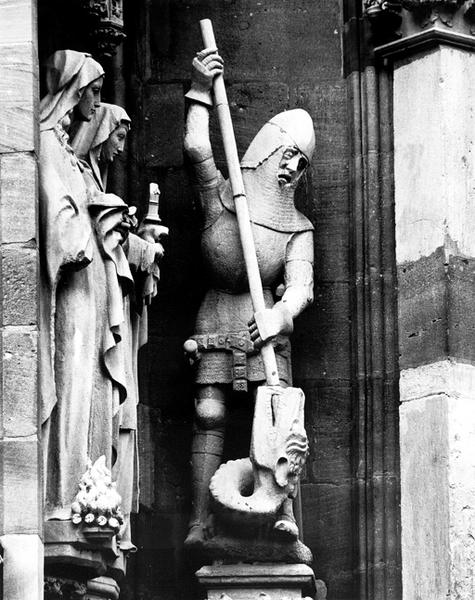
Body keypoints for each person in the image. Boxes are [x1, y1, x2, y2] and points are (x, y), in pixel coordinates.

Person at [183, 48, 315, 548]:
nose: (292, 168)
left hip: (265, 325)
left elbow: (301, 285)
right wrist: (199, 89)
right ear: (266, 151)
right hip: (218, 312)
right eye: (288, 156)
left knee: (281, 421)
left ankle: (286, 519)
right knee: (210, 415)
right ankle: (199, 520)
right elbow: (197, 148)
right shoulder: (222, 195)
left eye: (301, 164)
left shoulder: (297, 226)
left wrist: (281, 313)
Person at [39, 50, 138, 551]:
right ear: (74, 91)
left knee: (91, 384)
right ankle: (63, 492)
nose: (96, 102)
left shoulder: (67, 150)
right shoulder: (45, 143)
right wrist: (83, 231)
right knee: (74, 380)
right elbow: (59, 217)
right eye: (92, 92)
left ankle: (86, 485)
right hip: (74, 284)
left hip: (93, 285)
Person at [70, 102, 165, 552]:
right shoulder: (79, 176)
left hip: (113, 309)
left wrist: (142, 249)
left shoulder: (96, 178)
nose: (122, 146)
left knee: (119, 408)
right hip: (89, 308)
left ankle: (111, 515)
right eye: (119, 135)